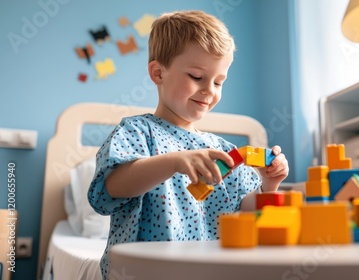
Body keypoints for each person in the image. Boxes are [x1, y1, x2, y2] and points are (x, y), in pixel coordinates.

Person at [87, 10, 289, 280]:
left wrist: (269, 184)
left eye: (219, 82)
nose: (210, 90)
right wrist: (174, 161)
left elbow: (246, 211)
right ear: (158, 73)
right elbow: (109, 190)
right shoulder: (137, 131)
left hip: (210, 271)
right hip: (145, 272)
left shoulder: (223, 150)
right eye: (197, 76)